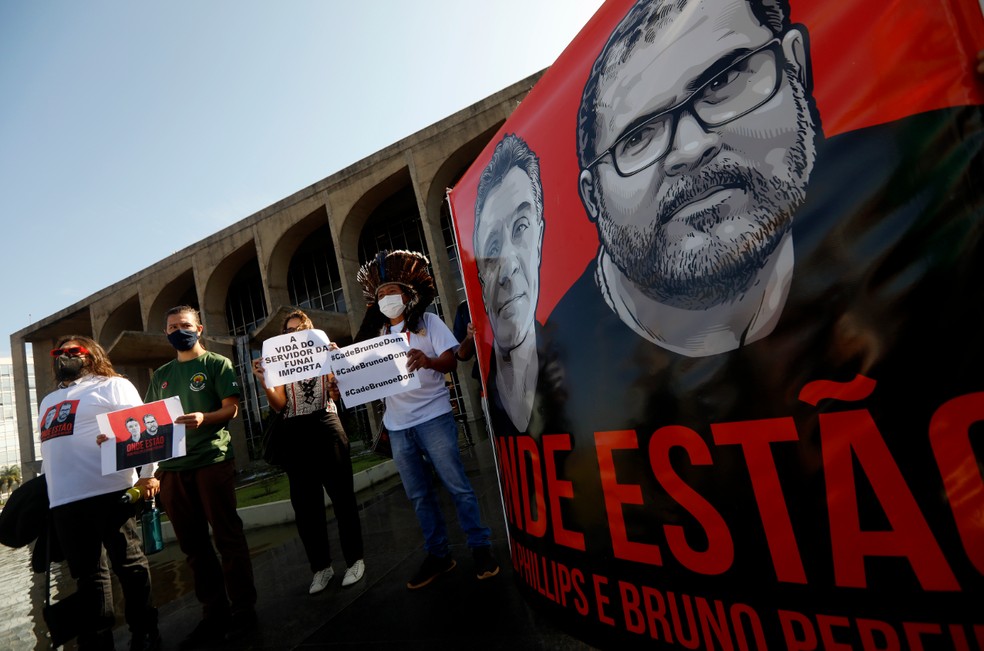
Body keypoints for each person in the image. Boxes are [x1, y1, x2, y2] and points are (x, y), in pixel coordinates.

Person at [573, 0, 816, 357]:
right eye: (638, 137)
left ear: (795, 64)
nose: (691, 147)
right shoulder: (565, 354)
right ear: (593, 197)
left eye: (724, 79)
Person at [355, 250, 499, 589]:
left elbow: (451, 361)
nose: (387, 299)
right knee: (419, 495)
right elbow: (360, 377)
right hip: (398, 425)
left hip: (433, 416)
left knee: (457, 486)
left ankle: (480, 547)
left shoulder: (428, 323)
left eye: (392, 293)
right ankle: (439, 554)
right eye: (380, 295)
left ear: (407, 296)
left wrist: (428, 361)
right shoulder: (374, 337)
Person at [145, 305, 257, 648]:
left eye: (185, 325)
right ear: (165, 332)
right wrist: (117, 441)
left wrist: (203, 418)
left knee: (227, 537)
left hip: (212, 461)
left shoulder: (216, 364)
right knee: (193, 546)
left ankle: (243, 611)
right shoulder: (160, 374)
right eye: (172, 326)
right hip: (173, 471)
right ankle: (214, 612)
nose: (178, 330)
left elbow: (231, 408)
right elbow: (148, 422)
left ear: (199, 328)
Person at [40, 336, 160, 651]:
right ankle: (99, 639)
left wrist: (147, 476)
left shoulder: (112, 386)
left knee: (130, 565)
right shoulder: (49, 400)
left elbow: (146, 429)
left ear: (91, 356)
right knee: (88, 575)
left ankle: (144, 631)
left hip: (109, 490)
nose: (63, 357)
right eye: (59, 353)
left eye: (72, 352)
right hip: (65, 501)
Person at [251, 309, 366, 595]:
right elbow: (279, 406)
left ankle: (355, 560)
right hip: (294, 432)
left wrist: (338, 362)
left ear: (310, 330)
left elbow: (341, 390)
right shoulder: (278, 363)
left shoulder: (325, 353)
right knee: (305, 507)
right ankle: (321, 567)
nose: (294, 334)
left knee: (342, 498)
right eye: (289, 331)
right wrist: (266, 380)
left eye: (299, 329)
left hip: (326, 425)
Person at [472, 133, 566, 439]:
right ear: (481, 275)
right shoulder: (489, 387)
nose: (507, 266)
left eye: (521, 227)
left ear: (538, 238)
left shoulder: (578, 365)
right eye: (492, 246)